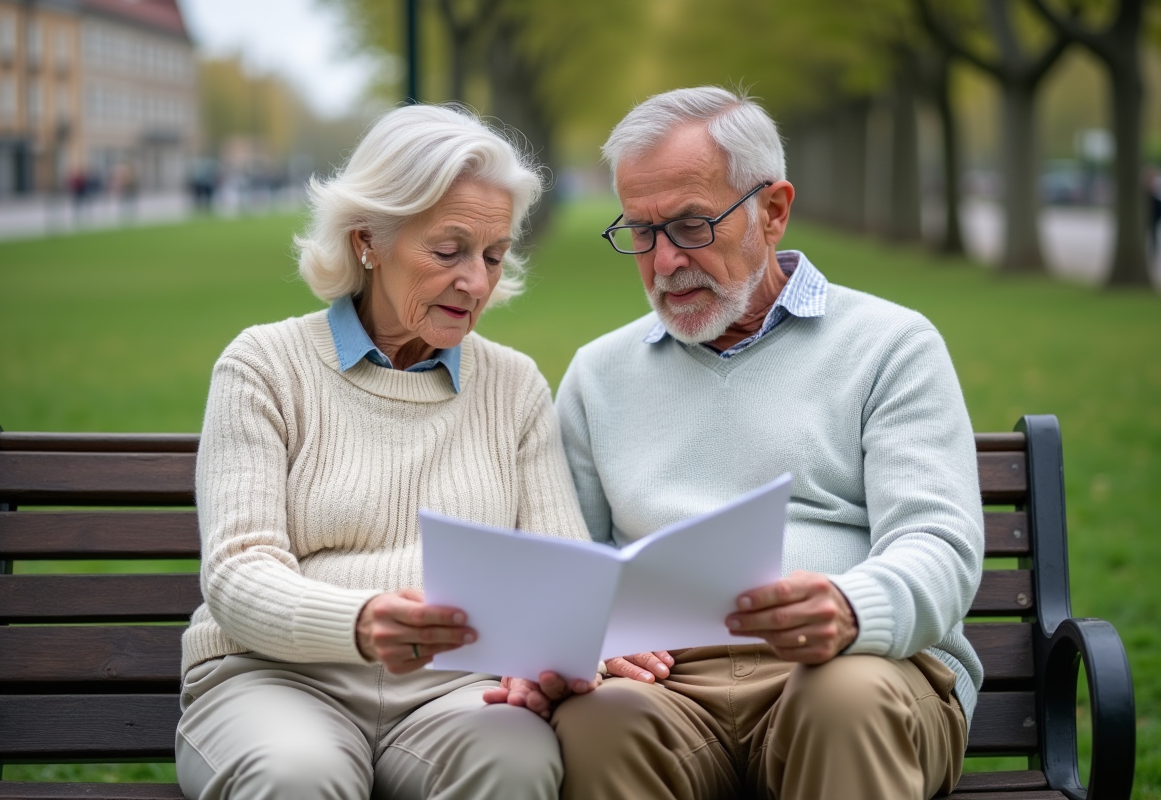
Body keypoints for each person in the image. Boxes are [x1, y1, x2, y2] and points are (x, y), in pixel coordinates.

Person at [546, 87, 984, 800]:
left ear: (772, 211)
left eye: (690, 225)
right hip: (669, 689)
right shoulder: (600, 374)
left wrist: (850, 610)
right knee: (596, 724)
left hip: (860, 664)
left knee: (844, 702)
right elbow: (566, 557)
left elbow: (939, 542)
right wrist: (587, 632)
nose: (662, 265)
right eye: (639, 231)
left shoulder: (890, 345)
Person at [174, 104, 597, 800]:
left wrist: (557, 645)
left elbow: (561, 571)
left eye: (493, 256)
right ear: (368, 239)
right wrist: (364, 622)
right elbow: (238, 575)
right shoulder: (263, 365)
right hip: (275, 678)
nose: (477, 282)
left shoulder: (514, 385)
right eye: (449, 250)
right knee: (297, 775)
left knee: (517, 760)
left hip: (455, 690)